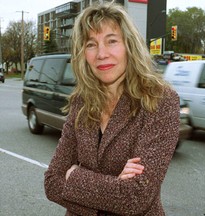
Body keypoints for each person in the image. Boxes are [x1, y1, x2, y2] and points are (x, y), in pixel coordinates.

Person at [44, 1, 180, 215]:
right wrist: (114, 188)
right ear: (83, 54)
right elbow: (52, 182)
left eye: (111, 41)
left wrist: (75, 176)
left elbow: (135, 198)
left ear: (129, 45)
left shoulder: (160, 100)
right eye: (91, 44)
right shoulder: (81, 101)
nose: (101, 54)